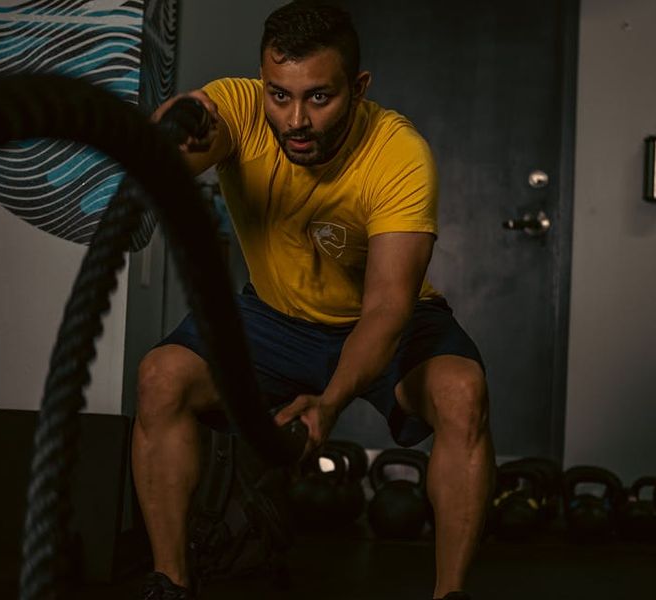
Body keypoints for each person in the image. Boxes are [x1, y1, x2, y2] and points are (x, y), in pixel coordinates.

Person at [132, 3, 495, 599]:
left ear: (358, 88)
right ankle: (170, 584)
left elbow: (386, 308)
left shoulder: (398, 153)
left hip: (385, 321)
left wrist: (328, 405)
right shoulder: (243, 109)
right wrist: (173, 129)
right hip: (273, 318)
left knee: (462, 393)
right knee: (160, 377)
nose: (295, 119)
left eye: (319, 98)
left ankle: (449, 593)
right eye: (280, 95)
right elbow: (190, 130)